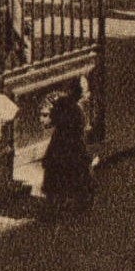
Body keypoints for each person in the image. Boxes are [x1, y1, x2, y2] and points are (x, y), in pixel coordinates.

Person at [41, 78, 95, 214]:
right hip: (72, 146)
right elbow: (81, 127)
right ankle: (78, 201)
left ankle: (57, 202)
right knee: (77, 173)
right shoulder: (76, 109)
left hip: (60, 144)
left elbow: (52, 121)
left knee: (57, 174)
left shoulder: (62, 103)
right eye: (83, 90)